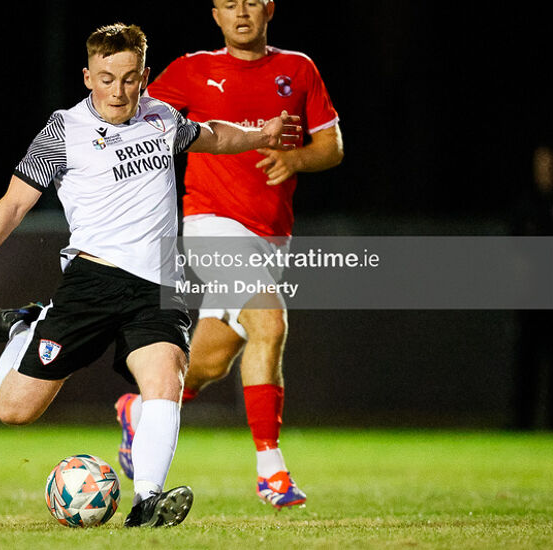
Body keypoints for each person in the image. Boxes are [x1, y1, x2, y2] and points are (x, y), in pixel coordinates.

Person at [0, 22, 294, 527]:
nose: (118, 90)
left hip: (157, 287)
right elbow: (12, 205)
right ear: (88, 76)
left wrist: (260, 134)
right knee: (14, 412)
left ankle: (148, 503)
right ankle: (29, 326)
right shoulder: (64, 131)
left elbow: (214, 136)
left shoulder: (162, 118)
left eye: (130, 78)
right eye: (107, 78)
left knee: (165, 380)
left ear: (144, 77)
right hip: (92, 283)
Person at [113, 0, 344, 510]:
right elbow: (129, 116)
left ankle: (138, 409)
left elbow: (331, 145)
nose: (240, 12)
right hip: (211, 223)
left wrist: (297, 156)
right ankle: (272, 471)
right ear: (215, 14)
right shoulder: (193, 70)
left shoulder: (297, 68)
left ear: (269, 9)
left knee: (208, 363)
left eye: (249, 2)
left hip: (272, 237)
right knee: (270, 322)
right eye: (228, 4)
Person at [511, 144, 553, 430]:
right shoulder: (527, 203)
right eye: (541, 165)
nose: (545, 171)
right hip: (531, 295)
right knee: (526, 358)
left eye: (549, 165)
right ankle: (521, 422)